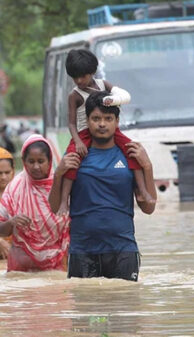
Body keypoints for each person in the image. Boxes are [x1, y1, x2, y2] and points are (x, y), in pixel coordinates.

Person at [48, 91, 157, 281]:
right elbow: (55, 207)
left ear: (117, 121)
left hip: (123, 250)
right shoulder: (76, 155)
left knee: (123, 307)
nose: (102, 124)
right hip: (82, 250)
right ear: (87, 121)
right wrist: (58, 173)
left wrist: (147, 166)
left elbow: (149, 208)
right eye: (96, 118)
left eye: (108, 118)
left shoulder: (130, 154)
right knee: (86, 308)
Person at [57, 49, 154, 216]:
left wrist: (112, 101)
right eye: (75, 77)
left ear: (92, 72)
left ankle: (143, 191)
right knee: (71, 161)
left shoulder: (104, 85)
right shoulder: (74, 95)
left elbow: (124, 96)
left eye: (83, 76)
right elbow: (72, 123)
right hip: (84, 134)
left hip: (112, 132)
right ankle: (64, 201)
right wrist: (78, 142)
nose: (79, 81)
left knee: (133, 152)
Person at [0, 134, 71, 271]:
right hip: (23, 263)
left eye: (41, 161)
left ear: (49, 161)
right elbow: (0, 230)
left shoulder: (61, 185)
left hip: (57, 262)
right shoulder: (15, 187)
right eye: (31, 161)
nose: (36, 167)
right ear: (24, 162)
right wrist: (12, 222)